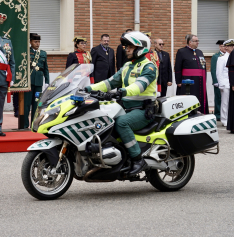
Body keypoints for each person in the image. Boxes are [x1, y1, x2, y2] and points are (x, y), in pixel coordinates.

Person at [85, 31, 157, 176]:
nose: (126, 49)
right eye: (126, 46)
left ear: (140, 47)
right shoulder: (126, 67)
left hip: (143, 110)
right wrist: (87, 88)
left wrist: (122, 92)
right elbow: (109, 83)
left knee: (122, 123)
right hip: (126, 108)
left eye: (130, 46)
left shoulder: (149, 67)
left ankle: (138, 159)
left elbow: (139, 86)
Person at [174, 34, 209, 114]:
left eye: (198, 41)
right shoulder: (181, 51)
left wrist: (204, 79)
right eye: (196, 41)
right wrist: (178, 81)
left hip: (200, 81)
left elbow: (204, 67)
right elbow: (177, 67)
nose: (198, 43)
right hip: (188, 81)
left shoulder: (199, 52)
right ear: (190, 42)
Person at [24, 33, 50, 128]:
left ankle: (34, 124)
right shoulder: (26, 52)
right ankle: (24, 124)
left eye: (38, 42)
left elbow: (46, 68)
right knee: (26, 104)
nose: (37, 44)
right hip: (28, 82)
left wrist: (47, 81)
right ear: (30, 42)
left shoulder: (43, 53)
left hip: (38, 82)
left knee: (37, 104)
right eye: (35, 41)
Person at [216, 39, 234, 127]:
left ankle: (232, 119)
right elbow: (219, 73)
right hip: (226, 83)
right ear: (226, 47)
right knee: (225, 102)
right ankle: (224, 119)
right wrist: (221, 84)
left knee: (233, 102)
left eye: (233, 46)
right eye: (231, 46)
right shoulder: (222, 58)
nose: (233, 48)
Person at [211, 40, 226, 121]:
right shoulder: (216, 56)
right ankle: (217, 114)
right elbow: (213, 69)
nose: (225, 48)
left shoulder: (229, 55)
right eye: (223, 46)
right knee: (218, 98)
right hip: (218, 81)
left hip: (226, 80)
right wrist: (215, 81)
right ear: (220, 47)